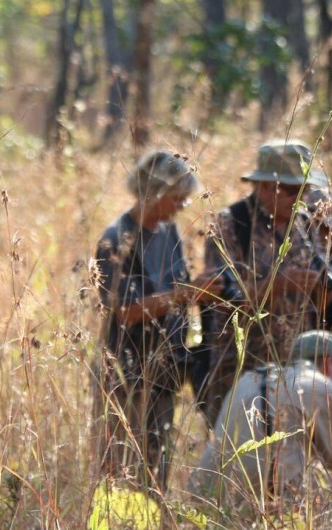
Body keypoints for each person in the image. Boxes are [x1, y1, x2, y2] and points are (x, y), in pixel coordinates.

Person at [93, 149, 220, 493]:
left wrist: (202, 289)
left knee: (156, 470)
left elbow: (177, 288)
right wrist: (186, 293)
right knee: (124, 470)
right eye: (178, 198)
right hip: (127, 370)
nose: (182, 206)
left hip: (164, 372)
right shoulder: (116, 239)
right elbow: (124, 310)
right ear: (154, 192)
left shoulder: (168, 233)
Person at [202, 140, 330, 427]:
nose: (301, 199)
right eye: (292, 191)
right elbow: (223, 297)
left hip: (295, 364)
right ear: (264, 187)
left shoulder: (305, 224)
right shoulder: (231, 224)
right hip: (239, 366)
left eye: (305, 191)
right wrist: (280, 285)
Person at [189, 330, 332, 507]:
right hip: (274, 507)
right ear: (330, 363)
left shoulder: (248, 378)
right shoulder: (326, 390)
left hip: (210, 501)